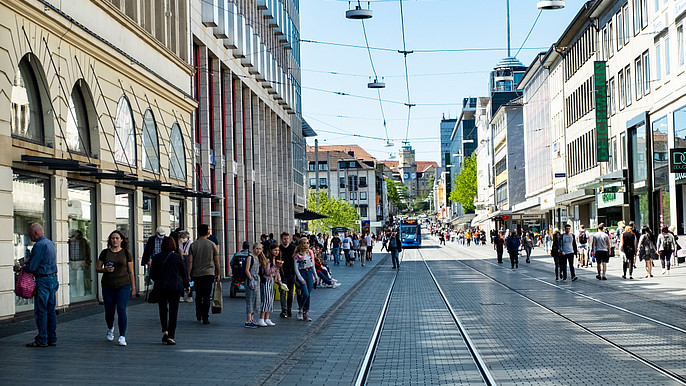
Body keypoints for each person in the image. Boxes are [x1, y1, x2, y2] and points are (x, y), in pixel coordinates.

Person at [18, 224, 58, 347]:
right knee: (51, 310)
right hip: (53, 279)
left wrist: (23, 267)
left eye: (30, 234)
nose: (30, 237)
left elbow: (33, 267)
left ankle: (42, 339)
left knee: (41, 310)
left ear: (35, 233)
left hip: (43, 281)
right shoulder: (50, 243)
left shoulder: (39, 245)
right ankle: (52, 338)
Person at [96, 230, 136, 346]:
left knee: (121, 310)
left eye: (117, 238)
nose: (115, 240)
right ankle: (110, 328)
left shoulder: (126, 253)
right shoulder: (105, 253)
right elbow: (97, 268)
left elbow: (131, 271)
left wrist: (133, 288)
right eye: (113, 238)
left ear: (121, 240)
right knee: (109, 311)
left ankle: (122, 336)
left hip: (123, 285)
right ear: (110, 240)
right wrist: (105, 270)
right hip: (108, 285)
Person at [149, 237, 190, 345]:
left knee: (162, 309)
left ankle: (165, 331)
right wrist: (187, 285)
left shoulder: (157, 258)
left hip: (161, 287)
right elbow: (183, 273)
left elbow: (152, 274)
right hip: (175, 287)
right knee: (173, 310)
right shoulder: (177, 258)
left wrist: (159, 279)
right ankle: (171, 336)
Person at [187, 224, 220, 325]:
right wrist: (218, 273)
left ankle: (198, 313)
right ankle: (205, 317)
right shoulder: (211, 244)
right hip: (209, 273)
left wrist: (188, 274)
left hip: (197, 274)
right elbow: (216, 261)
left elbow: (190, 262)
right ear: (207, 232)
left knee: (198, 295)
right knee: (206, 295)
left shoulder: (193, 245)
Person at [259, 243, 283, 327]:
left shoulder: (276, 260)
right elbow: (267, 272)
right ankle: (261, 318)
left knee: (270, 299)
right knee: (266, 299)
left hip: (271, 281)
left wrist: (279, 281)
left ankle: (267, 318)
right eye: (275, 250)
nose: (276, 252)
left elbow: (277, 273)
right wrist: (276, 267)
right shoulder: (268, 260)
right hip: (266, 281)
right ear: (270, 251)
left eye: (277, 250)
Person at [293, 238, 316, 322]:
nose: (307, 244)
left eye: (308, 243)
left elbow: (312, 265)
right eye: (305, 243)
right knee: (305, 293)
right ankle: (300, 309)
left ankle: (306, 313)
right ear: (302, 244)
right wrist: (300, 278)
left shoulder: (309, 253)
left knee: (308, 294)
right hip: (302, 273)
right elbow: (296, 269)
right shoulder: (297, 256)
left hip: (309, 273)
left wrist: (315, 276)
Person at [68, 230, 91, 298]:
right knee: (72, 280)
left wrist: (86, 261)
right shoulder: (69, 242)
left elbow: (88, 251)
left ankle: (81, 295)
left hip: (80, 261)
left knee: (79, 279)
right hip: (71, 261)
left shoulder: (82, 241)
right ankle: (74, 295)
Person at [244, 243, 262, 328]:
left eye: (260, 249)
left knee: (255, 300)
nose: (258, 250)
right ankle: (248, 320)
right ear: (253, 249)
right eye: (257, 248)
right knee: (250, 300)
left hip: (256, 280)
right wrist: (251, 279)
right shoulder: (250, 257)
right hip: (250, 280)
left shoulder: (258, 258)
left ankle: (252, 319)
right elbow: (247, 270)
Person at [279, 232, 296, 318]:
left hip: (292, 273)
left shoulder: (293, 248)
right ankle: (284, 310)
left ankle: (289, 309)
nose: (286, 240)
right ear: (281, 239)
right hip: (282, 274)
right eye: (284, 239)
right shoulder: (279, 249)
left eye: (287, 239)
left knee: (290, 293)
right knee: (282, 292)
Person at [178, 231, 193, 302]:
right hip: (182, 261)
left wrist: (184, 254)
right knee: (181, 279)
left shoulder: (191, 243)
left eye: (184, 237)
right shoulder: (180, 243)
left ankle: (190, 296)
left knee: (189, 279)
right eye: (182, 238)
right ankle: (181, 295)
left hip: (188, 262)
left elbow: (189, 254)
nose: (183, 239)